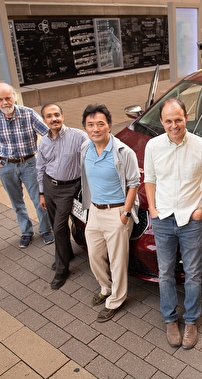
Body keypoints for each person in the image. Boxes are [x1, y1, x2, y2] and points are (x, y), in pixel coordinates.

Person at [144, 98, 202, 350]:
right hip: (163, 219)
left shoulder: (201, 146)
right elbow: (151, 179)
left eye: (178, 119)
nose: (174, 125)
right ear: (162, 122)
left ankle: (190, 321)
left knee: (192, 273)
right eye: (168, 121)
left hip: (191, 220)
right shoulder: (153, 146)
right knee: (165, 272)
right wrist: (153, 209)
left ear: (186, 117)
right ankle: (169, 319)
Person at [80, 104, 140, 323]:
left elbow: (134, 184)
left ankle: (116, 299)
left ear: (110, 126)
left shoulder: (124, 153)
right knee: (94, 255)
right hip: (95, 211)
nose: (95, 128)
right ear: (85, 128)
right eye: (90, 125)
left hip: (117, 212)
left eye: (100, 124)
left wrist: (125, 213)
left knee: (117, 261)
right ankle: (106, 288)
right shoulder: (85, 149)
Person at [0, 83, 54, 248]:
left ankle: (46, 230)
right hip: (6, 166)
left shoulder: (28, 114)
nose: (5, 102)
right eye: (0, 99)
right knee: (17, 203)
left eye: (8, 97)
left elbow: (48, 134)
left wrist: (47, 157)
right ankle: (26, 232)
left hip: (29, 163)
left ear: (14, 96)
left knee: (39, 200)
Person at [36, 103, 88, 289]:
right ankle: (67, 254)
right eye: (49, 116)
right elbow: (40, 167)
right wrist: (42, 192)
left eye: (56, 114)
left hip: (69, 189)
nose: (54, 119)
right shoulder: (44, 141)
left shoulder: (78, 136)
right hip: (50, 186)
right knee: (56, 225)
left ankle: (61, 269)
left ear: (63, 116)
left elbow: (98, 150)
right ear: (44, 120)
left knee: (58, 228)